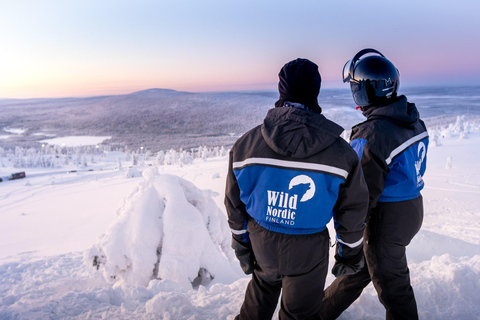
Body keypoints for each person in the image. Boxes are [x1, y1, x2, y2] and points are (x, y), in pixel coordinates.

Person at [225, 58, 369, 320]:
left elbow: (234, 203)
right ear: (315, 91)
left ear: (282, 91)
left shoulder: (246, 145)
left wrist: (241, 245)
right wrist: (349, 253)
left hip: (262, 240)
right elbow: (353, 210)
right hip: (308, 248)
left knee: (262, 290)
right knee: (299, 313)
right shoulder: (341, 153)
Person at [320, 49, 429, 320]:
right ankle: (318, 313)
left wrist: (348, 236)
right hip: (411, 208)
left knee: (393, 287)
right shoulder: (412, 120)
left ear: (366, 91)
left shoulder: (372, 134)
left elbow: (359, 195)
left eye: (355, 88)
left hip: (386, 218)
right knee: (362, 271)